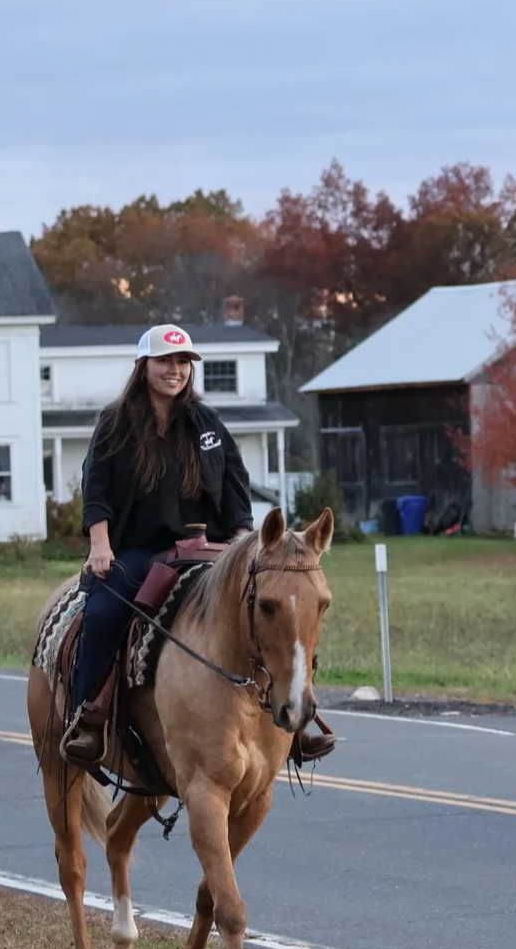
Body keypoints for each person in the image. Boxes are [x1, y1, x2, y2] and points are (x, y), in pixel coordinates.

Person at [60, 324, 332, 766]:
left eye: (183, 361)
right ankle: (88, 716)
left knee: (278, 610)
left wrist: (244, 539)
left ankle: (296, 720)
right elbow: (96, 487)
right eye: (165, 361)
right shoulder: (116, 422)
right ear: (142, 366)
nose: (175, 370)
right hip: (137, 551)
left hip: (207, 548)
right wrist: (99, 544)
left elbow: (234, 481)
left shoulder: (206, 422)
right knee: (105, 611)